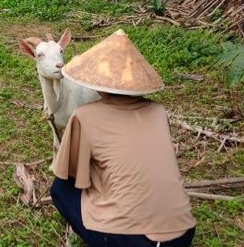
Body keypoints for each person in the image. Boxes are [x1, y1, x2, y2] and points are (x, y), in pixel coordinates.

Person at [51, 29, 196, 247]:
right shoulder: (158, 112)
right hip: (184, 233)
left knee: (60, 189)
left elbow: (72, 175)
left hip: (131, 240)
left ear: (96, 80)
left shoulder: (85, 115)